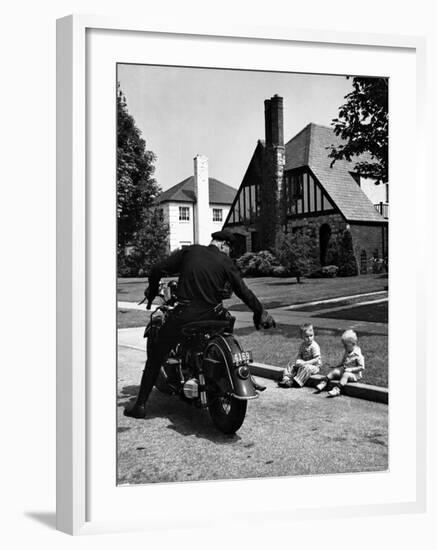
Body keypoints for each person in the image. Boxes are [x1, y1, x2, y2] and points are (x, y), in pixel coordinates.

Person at [124, 230, 276, 418]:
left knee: (155, 356)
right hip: (215, 316)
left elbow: (156, 269)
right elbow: (243, 291)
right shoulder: (225, 262)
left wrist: (153, 289)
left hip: (186, 316)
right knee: (227, 325)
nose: (228, 254)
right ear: (223, 244)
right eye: (229, 249)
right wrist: (259, 312)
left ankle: (140, 406)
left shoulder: (191, 252)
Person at [315, 329, 365, 397]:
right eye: (344, 345)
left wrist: (351, 370)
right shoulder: (347, 351)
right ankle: (324, 382)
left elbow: (362, 367)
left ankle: (337, 389)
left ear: (353, 344)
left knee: (346, 375)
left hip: (354, 375)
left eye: (346, 345)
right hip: (345, 369)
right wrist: (338, 366)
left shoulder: (358, 355)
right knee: (335, 371)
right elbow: (343, 362)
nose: (344, 347)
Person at [278, 323, 322, 388]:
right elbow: (299, 355)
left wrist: (305, 363)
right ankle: (286, 378)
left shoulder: (314, 346)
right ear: (302, 337)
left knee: (307, 368)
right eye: (307, 336)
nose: (309, 338)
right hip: (304, 364)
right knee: (291, 363)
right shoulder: (302, 345)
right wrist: (298, 360)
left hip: (314, 366)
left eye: (311, 335)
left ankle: (296, 382)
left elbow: (316, 359)